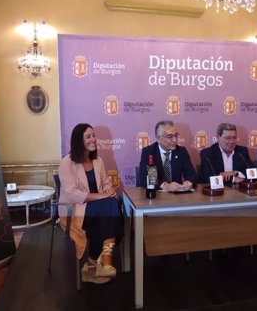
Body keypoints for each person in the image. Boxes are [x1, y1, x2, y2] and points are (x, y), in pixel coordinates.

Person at [58, 123, 124, 284]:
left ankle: (94, 262)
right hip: (74, 210)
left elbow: (106, 182)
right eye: (88, 136)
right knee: (110, 206)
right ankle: (105, 257)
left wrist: (109, 191)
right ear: (78, 141)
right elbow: (72, 194)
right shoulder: (67, 163)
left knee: (111, 205)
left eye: (94, 135)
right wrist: (101, 196)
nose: (93, 139)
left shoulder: (98, 161)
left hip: (98, 209)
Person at [138, 120, 197, 192]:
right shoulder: (149, 152)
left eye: (176, 135)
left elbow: (191, 174)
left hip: (177, 196)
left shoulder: (181, 151)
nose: (175, 140)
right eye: (170, 137)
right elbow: (145, 178)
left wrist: (189, 182)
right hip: (155, 195)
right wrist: (165, 185)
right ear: (158, 138)